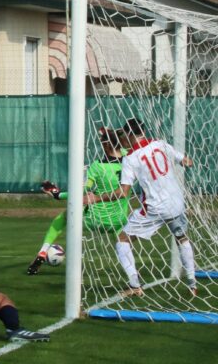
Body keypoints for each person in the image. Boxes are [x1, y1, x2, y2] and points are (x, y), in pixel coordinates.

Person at [84, 118, 196, 297]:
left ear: (129, 134)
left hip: (155, 208)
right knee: (181, 237)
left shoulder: (131, 158)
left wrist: (95, 198)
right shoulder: (161, 144)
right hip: (176, 203)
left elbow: (122, 192)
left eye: (124, 135)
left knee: (122, 239)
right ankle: (192, 283)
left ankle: (135, 285)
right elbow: (187, 162)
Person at [27, 127, 129, 275]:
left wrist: (57, 194)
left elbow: (80, 192)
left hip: (94, 220)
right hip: (119, 220)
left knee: (64, 216)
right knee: (122, 240)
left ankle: (43, 252)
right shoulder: (129, 161)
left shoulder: (97, 167)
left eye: (102, 143)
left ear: (106, 145)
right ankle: (133, 278)